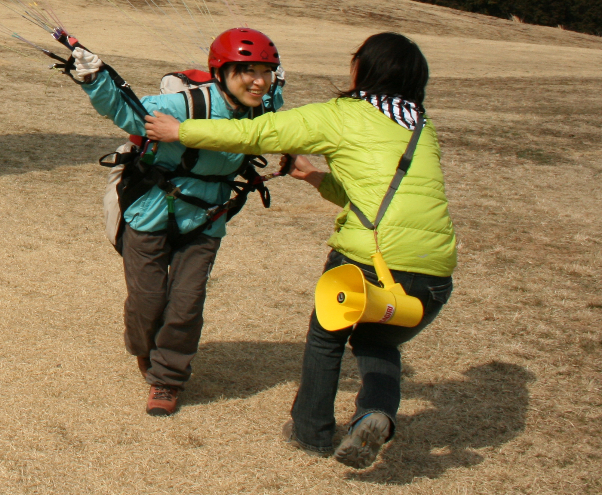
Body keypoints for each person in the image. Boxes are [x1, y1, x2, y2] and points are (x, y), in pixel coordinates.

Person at [144, 32, 456, 467]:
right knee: (378, 343)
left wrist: (182, 130)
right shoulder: (422, 127)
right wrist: (313, 177)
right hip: (434, 274)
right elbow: (372, 199)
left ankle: (311, 432)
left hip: (367, 261)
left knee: (326, 338)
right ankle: (376, 413)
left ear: (365, 69)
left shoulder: (344, 114)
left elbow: (260, 132)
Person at [69, 27, 285, 416]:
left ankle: (167, 379)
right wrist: (93, 78)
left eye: (266, 72)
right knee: (147, 302)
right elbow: (126, 111)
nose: (258, 81)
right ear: (221, 73)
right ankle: (144, 348)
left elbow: (283, 122)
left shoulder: (265, 105)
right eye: (247, 71)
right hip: (150, 211)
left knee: (186, 304)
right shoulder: (188, 104)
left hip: (205, 219)